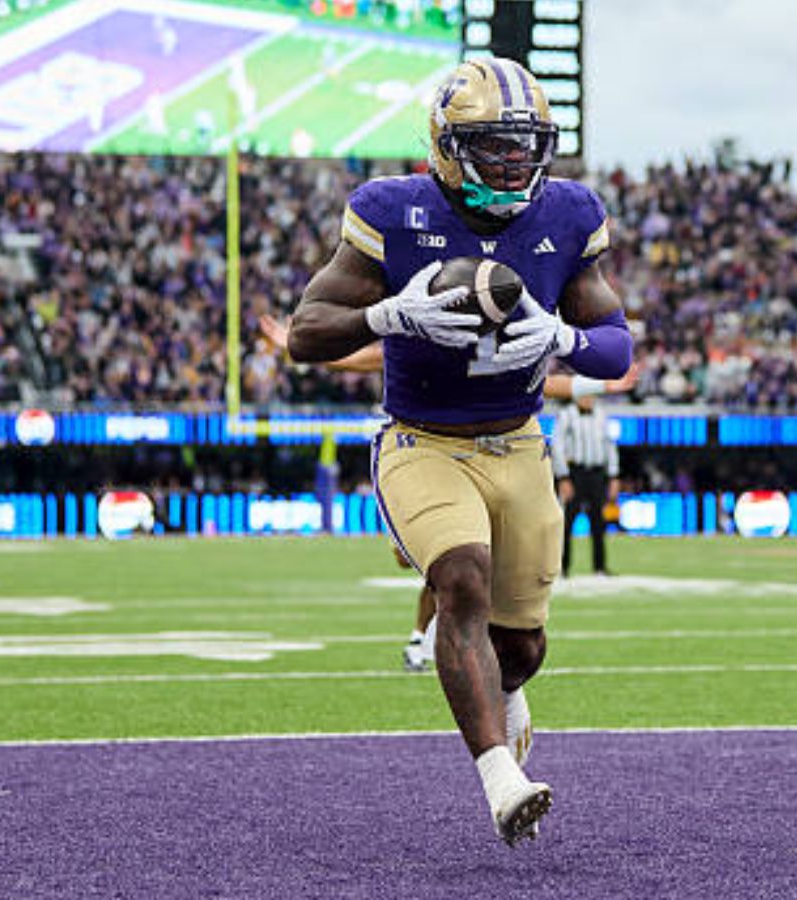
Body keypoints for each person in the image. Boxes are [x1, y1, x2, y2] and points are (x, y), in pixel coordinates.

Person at [286, 57, 631, 846]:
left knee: (523, 645)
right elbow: (306, 332)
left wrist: (565, 337)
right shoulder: (390, 211)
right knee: (460, 583)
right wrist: (391, 316)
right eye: (493, 146)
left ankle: (509, 703)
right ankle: (501, 782)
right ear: (445, 145)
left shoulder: (569, 214)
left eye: (526, 146)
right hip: (423, 440)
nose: (514, 163)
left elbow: (617, 347)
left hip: (518, 442)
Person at [258, 313, 637, 671]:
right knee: (419, 562)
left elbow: (544, 383)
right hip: (414, 451)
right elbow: (361, 360)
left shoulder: (496, 346)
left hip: (485, 458)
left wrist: (601, 385)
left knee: (461, 560)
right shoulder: (421, 338)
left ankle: (427, 638)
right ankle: (434, 631)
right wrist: (294, 347)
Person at [551, 391, 619, 577]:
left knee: (599, 522)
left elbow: (610, 446)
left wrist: (613, 475)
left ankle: (599, 567)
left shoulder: (601, 414)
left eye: (591, 396)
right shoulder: (566, 415)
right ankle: (562, 568)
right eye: (584, 395)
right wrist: (563, 477)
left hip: (597, 474)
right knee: (567, 522)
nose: (588, 399)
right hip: (575, 474)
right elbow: (557, 447)